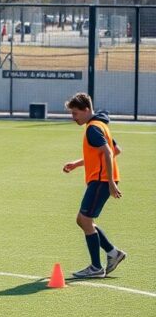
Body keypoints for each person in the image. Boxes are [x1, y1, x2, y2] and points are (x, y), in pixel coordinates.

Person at [62, 92, 126, 279]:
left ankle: (96, 267)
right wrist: (77, 164)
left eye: (75, 113)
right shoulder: (100, 124)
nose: (73, 117)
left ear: (86, 109)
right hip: (103, 179)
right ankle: (113, 253)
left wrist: (111, 182)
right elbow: (116, 150)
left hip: (102, 181)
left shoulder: (92, 128)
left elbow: (108, 151)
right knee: (83, 220)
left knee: (84, 220)